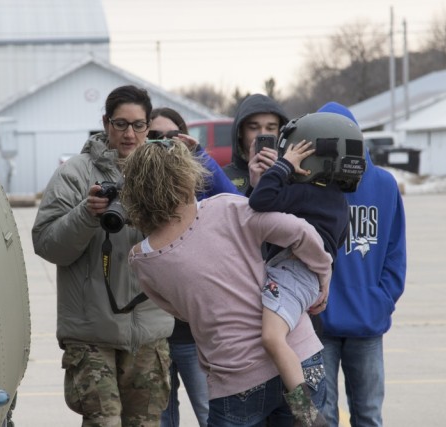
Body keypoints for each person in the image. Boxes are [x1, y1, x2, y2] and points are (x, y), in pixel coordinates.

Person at [122, 141, 333, 426]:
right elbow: (300, 231)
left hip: (235, 380)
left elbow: (180, 311)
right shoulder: (225, 208)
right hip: (299, 355)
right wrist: (323, 273)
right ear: (187, 176)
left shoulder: (142, 259)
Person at [31, 85, 174, 427]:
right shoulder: (76, 174)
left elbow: (189, 240)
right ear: (105, 123)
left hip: (148, 330)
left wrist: (155, 214)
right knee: (104, 423)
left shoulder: (163, 172)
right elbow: (47, 244)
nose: (129, 134)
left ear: (148, 126)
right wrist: (86, 214)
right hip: (90, 331)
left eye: (138, 125)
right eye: (120, 123)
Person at [248, 111, 369, 426]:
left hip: (291, 274)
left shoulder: (304, 194)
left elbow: (259, 200)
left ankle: (305, 412)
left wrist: (283, 166)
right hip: (308, 278)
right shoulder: (337, 202)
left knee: (272, 338)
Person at [316, 102, 407, 427]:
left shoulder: (383, 184)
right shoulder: (310, 184)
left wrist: (381, 300)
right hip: (319, 324)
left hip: (367, 323)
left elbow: (396, 251)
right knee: (322, 418)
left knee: (368, 415)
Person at [148, 107, 239, 427]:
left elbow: (234, 202)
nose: (163, 144)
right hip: (152, 332)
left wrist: (199, 155)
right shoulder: (139, 186)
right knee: (162, 418)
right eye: (154, 137)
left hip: (194, 332)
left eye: (172, 137)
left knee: (210, 413)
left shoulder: (198, 184)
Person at [223, 94, 289, 195]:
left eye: (270, 128)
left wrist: (279, 174)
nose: (262, 134)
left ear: (280, 132)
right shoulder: (223, 178)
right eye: (253, 127)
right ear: (240, 131)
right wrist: (253, 187)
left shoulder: (290, 175)